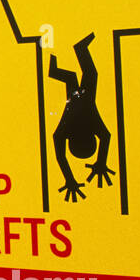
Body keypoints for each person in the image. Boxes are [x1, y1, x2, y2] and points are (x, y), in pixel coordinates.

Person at [49, 33, 114, 203]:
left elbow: (106, 138)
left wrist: (101, 162)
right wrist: (69, 178)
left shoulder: (88, 127)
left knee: (87, 74)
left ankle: (74, 51)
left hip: (83, 98)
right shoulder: (67, 132)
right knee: (75, 77)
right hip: (84, 98)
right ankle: (66, 58)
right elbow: (61, 156)